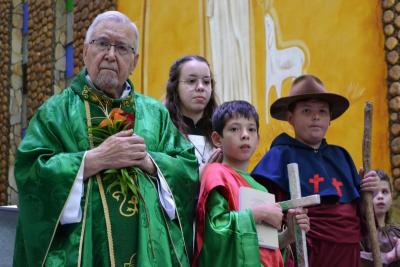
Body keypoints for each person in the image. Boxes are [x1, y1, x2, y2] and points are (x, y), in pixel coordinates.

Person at [13, 11, 198, 267]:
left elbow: (187, 166)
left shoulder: (155, 114)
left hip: (148, 251)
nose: (111, 55)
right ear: (85, 51)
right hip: (83, 252)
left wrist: (149, 162)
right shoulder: (56, 112)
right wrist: (94, 159)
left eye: (122, 48)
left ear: (135, 61)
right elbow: (30, 170)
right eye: (102, 44)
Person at [252, 74, 379, 267]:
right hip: (307, 253)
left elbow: (359, 215)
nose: (315, 116)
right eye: (306, 111)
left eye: (322, 111)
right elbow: (264, 219)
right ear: (290, 118)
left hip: (349, 256)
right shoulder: (278, 156)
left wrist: (368, 192)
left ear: (330, 119)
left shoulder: (341, 156)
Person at [193, 100, 310, 267]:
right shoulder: (216, 174)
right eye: (234, 129)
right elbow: (213, 231)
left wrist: (289, 235)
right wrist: (257, 214)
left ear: (258, 139)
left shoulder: (260, 187)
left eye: (251, 129)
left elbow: (264, 246)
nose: (245, 135)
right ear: (217, 139)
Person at [165, 55, 222, 174]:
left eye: (206, 82)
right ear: (175, 87)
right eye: (191, 81)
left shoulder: (222, 129)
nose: (201, 87)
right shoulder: (163, 129)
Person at [361, 170, 400, 267]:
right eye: (373, 193)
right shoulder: (360, 234)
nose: (380, 197)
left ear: (391, 197)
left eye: (385, 192)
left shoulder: (397, 231)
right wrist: (389, 256)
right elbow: (355, 257)